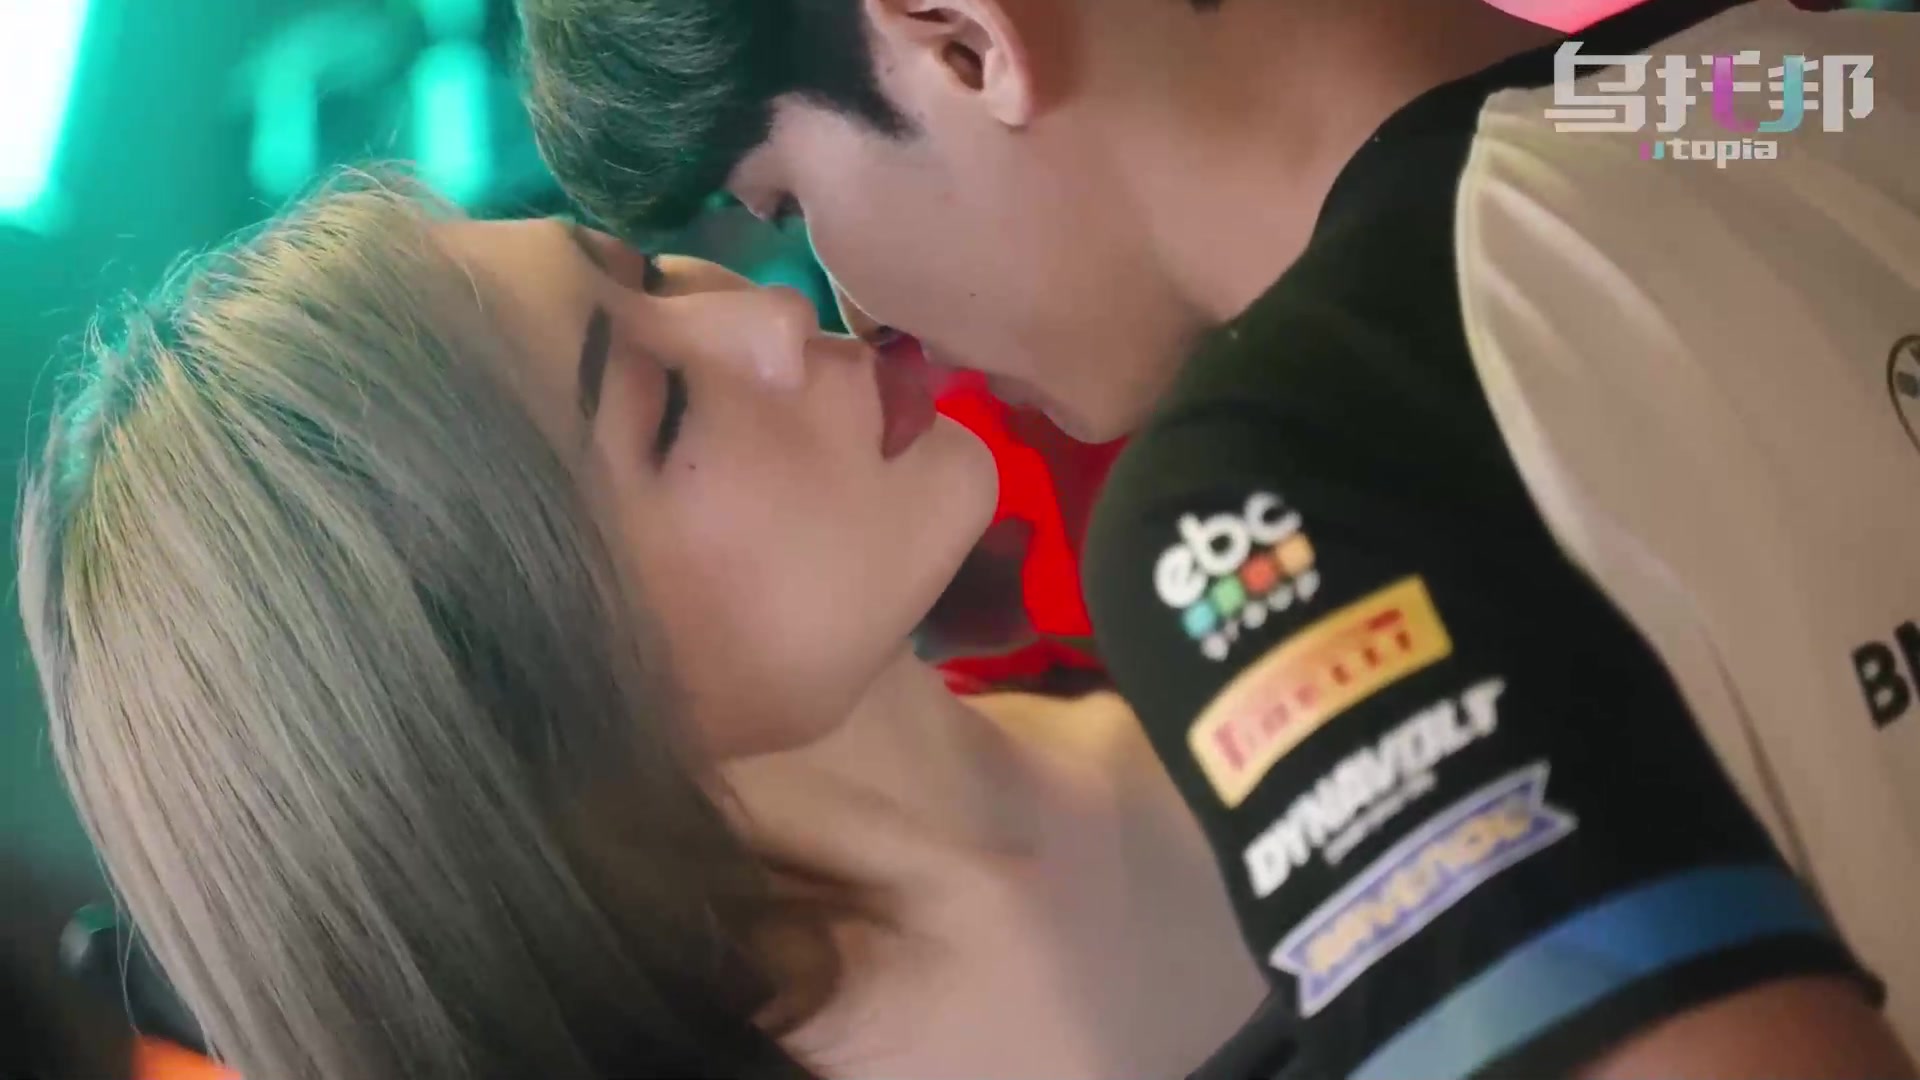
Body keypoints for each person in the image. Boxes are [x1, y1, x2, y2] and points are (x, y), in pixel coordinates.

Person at [517, 0, 1920, 1075]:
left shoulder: (1268, 495)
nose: (850, 312)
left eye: (786, 203)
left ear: (961, 41)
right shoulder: (1823, 76)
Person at [16, 175, 1266, 1080]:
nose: (768, 319)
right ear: (521, 714)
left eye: (651, 273)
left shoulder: (1199, 555)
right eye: (663, 409)